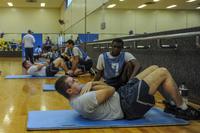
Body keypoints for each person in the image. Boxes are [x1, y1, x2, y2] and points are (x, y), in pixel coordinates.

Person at [55, 65, 200, 120]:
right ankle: (183, 109)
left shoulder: (78, 96)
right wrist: (92, 83)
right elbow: (110, 89)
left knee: (154, 68)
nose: (76, 80)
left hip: (123, 95)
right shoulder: (83, 100)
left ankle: (172, 103)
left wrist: (92, 83)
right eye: (73, 82)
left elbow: (107, 88)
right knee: (162, 72)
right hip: (128, 106)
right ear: (69, 90)